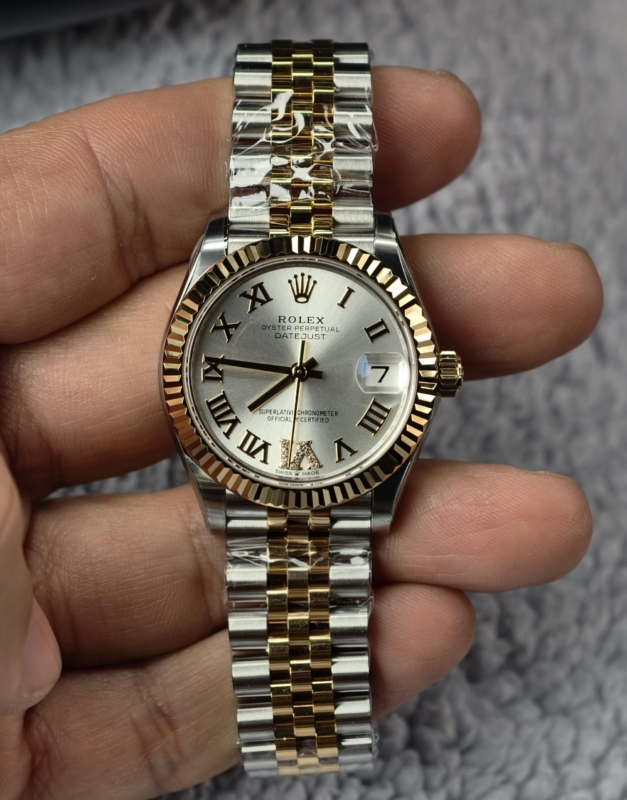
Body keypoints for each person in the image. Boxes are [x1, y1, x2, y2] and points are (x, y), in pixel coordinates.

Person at [0, 66, 602, 797]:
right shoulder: (236, 285)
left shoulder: (337, 280)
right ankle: (302, 732)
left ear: (432, 372)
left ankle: (302, 732)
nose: (299, 368)